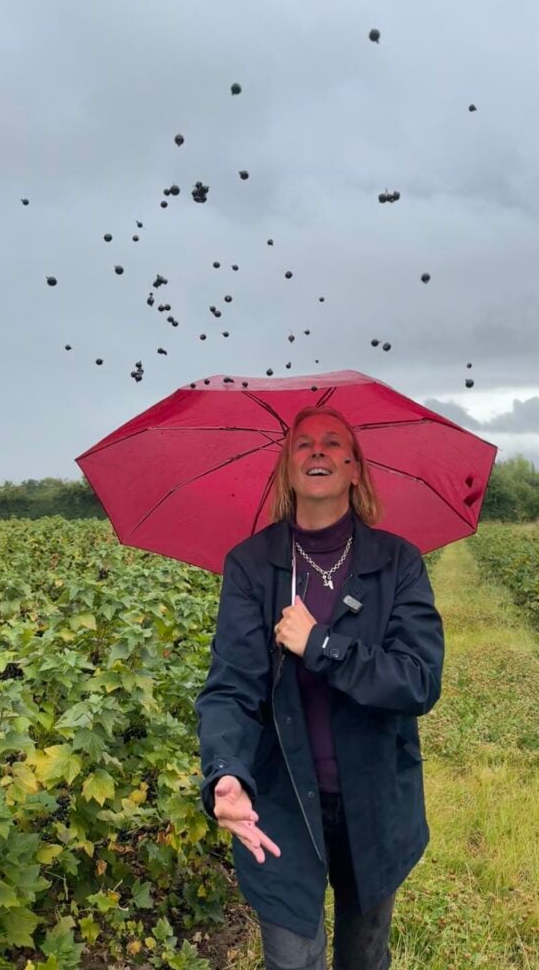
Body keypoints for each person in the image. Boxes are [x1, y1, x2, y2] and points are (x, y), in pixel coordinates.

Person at [194, 405, 444, 970]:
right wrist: (226, 771)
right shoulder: (252, 566)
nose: (317, 452)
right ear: (286, 469)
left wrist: (322, 646)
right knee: (292, 959)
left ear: (355, 469)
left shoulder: (398, 563)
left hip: (375, 797)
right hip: (281, 801)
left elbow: (418, 681)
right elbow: (230, 687)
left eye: (334, 443)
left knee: (365, 955)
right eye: (303, 444)